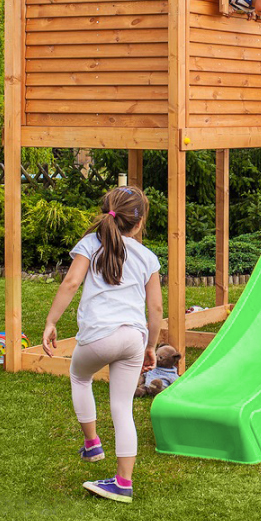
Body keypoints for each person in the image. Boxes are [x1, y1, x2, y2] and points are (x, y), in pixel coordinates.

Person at [42, 186, 164, 504]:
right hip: (133, 339)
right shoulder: (148, 257)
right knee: (122, 408)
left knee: (80, 376)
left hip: (98, 337)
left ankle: (92, 443)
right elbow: (156, 309)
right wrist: (151, 346)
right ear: (139, 223)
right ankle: (123, 483)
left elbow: (71, 283)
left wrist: (51, 322)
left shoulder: (90, 243)